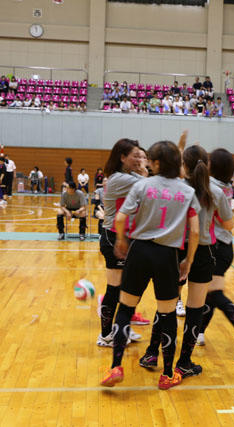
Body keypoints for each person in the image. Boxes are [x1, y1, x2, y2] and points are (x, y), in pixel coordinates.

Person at [101, 140, 200, 390]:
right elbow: (195, 231)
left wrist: (121, 240)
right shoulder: (187, 191)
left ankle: (116, 366)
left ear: (155, 163)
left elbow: (121, 218)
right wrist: (188, 260)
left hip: (139, 251)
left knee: (125, 309)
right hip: (167, 255)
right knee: (167, 315)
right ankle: (167, 375)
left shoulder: (142, 185)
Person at [139, 145, 229, 379]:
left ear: (183, 165)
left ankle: (151, 353)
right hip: (204, 252)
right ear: (207, 165)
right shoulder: (216, 192)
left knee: (166, 305)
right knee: (195, 308)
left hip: (175, 249)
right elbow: (227, 224)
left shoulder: (177, 188)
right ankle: (184, 362)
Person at [194, 148, 234, 360]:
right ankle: (199, 332)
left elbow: (228, 223)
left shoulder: (212, 187)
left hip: (218, 246)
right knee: (209, 294)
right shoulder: (224, 185)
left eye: (208, 160)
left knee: (213, 293)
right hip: (222, 246)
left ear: (213, 165)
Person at [97, 139, 144, 348]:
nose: (139, 159)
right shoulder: (118, 179)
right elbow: (149, 185)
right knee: (114, 289)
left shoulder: (129, 176)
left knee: (129, 288)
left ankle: (121, 326)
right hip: (114, 238)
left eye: (141, 156)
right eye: (136, 156)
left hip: (129, 237)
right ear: (122, 157)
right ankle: (106, 335)